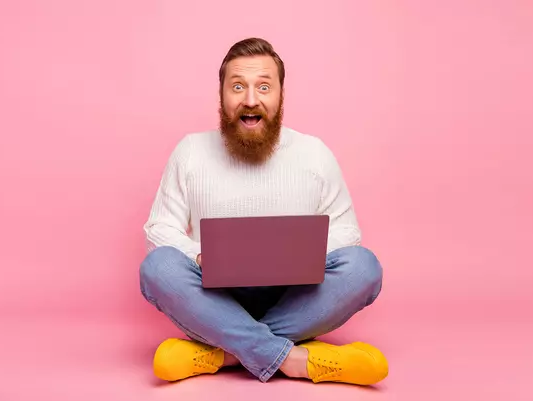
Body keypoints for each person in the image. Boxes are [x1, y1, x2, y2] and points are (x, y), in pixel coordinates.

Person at [138, 37, 388, 386]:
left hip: (295, 296)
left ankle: (223, 354)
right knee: (157, 267)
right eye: (237, 86)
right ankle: (296, 359)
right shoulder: (191, 151)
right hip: (212, 296)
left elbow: (347, 233)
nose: (250, 100)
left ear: (281, 94)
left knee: (364, 267)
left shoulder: (314, 153)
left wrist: (298, 252)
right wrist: (198, 257)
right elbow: (159, 229)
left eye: (264, 87)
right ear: (221, 94)